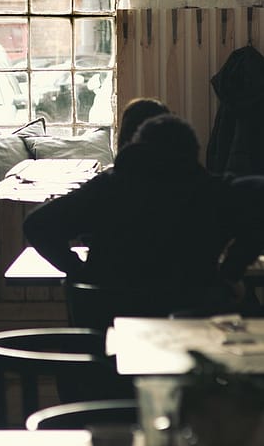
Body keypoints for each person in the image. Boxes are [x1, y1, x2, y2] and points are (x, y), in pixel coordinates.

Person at [23, 114, 264, 319]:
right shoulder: (211, 191)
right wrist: (232, 269)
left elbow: (37, 225)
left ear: (136, 148)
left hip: (111, 325)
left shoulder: (108, 189)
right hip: (188, 318)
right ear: (193, 154)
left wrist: (79, 273)